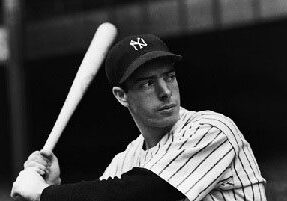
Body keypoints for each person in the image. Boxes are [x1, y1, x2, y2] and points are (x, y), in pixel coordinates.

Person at [11, 34, 267, 201]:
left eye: (169, 76)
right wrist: (54, 184)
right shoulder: (125, 162)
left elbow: (143, 192)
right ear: (122, 96)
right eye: (148, 83)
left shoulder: (212, 130)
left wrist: (46, 194)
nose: (165, 92)